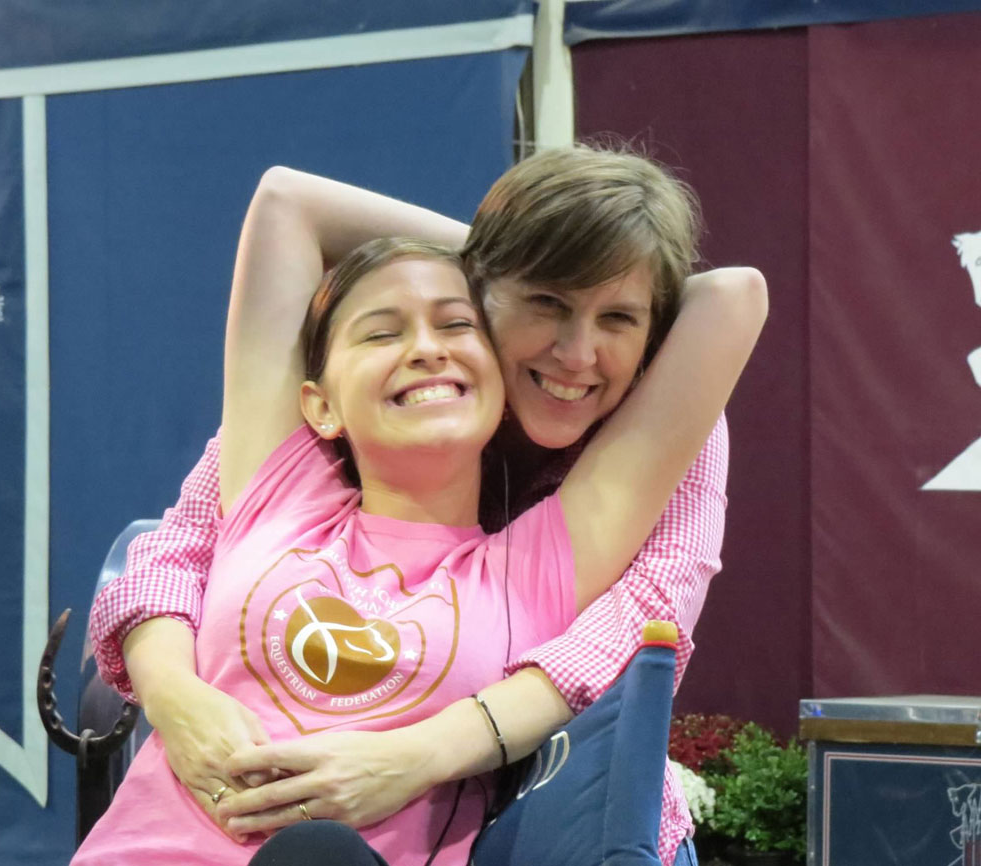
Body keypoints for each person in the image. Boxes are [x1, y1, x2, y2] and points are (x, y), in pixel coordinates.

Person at [88, 147, 764, 865]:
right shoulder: (290, 485)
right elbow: (180, 544)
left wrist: (413, 757)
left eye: (620, 317)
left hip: (535, 808)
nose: (577, 353)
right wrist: (175, 695)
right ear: (321, 403)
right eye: (547, 301)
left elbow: (638, 624)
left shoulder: (548, 551)